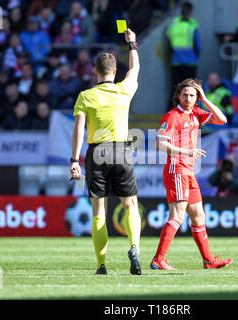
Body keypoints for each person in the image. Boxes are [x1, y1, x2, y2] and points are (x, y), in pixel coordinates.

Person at [70, 29, 141, 276]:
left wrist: (74, 160)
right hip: (121, 149)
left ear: (95, 72)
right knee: (130, 205)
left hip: (96, 152)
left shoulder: (85, 96)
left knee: (99, 211)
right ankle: (134, 248)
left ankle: (101, 264)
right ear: (114, 71)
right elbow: (134, 70)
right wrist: (132, 44)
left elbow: (78, 130)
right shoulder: (124, 90)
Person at [150, 78, 233, 270]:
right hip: (177, 169)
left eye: (192, 95)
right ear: (178, 96)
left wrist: (204, 98)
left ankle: (208, 260)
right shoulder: (172, 116)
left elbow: (222, 119)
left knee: (198, 217)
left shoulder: (196, 113)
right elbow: (160, 144)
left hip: (188, 171)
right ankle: (158, 259)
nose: (188, 98)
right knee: (177, 215)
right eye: (185, 94)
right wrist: (187, 152)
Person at [165, 1, 201, 104]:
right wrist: (196, 55)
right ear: (190, 12)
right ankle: (188, 109)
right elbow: (198, 44)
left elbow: (168, 39)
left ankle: (173, 109)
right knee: (190, 88)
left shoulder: (173, 23)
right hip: (190, 61)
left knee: (176, 88)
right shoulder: (192, 24)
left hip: (176, 60)